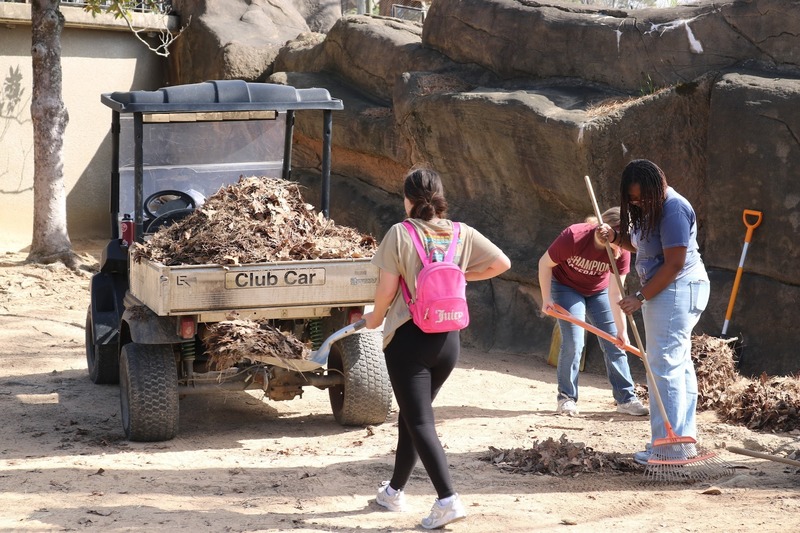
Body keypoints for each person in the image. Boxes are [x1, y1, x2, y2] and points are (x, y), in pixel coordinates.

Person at [362, 167, 511, 529]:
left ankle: (448, 499)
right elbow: (502, 263)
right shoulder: (462, 233)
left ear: (407, 199)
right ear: (441, 197)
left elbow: (386, 289)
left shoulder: (400, 233)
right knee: (413, 416)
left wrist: (374, 318)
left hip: (408, 338)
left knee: (418, 419)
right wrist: (462, 274)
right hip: (448, 340)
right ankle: (394, 491)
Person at [604, 159, 710, 465]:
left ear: (657, 186)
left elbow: (674, 264)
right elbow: (645, 246)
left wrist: (639, 296)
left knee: (663, 365)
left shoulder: (674, 208)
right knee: (676, 364)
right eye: (632, 199)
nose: (637, 203)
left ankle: (669, 447)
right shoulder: (650, 208)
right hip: (669, 291)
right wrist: (615, 238)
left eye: (642, 198)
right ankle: (681, 441)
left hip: (677, 289)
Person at [539, 208, 649, 417]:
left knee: (615, 342)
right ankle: (566, 398)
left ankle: (626, 399)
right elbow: (545, 263)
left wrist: (621, 330)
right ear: (603, 231)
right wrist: (547, 299)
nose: (623, 245)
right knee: (574, 341)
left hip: (600, 292)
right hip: (566, 287)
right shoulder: (574, 236)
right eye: (619, 238)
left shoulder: (623, 251)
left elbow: (616, 291)